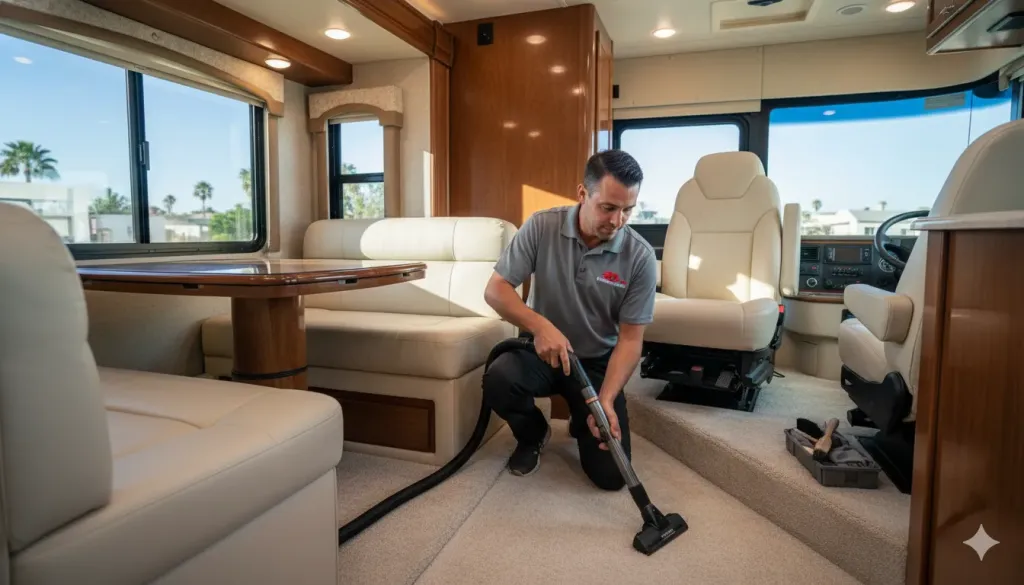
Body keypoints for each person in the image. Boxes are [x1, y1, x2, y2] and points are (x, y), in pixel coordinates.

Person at [481, 149, 657, 491]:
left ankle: (583, 415)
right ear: (582, 194)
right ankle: (533, 434)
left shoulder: (640, 257)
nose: (617, 220)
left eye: (627, 210)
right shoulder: (542, 226)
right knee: (499, 379)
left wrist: (605, 400)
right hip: (541, 352)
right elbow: (495, 291)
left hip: (595, 365)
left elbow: (631, 339)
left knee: (610, 478)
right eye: (608, 207)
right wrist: (540, 326)